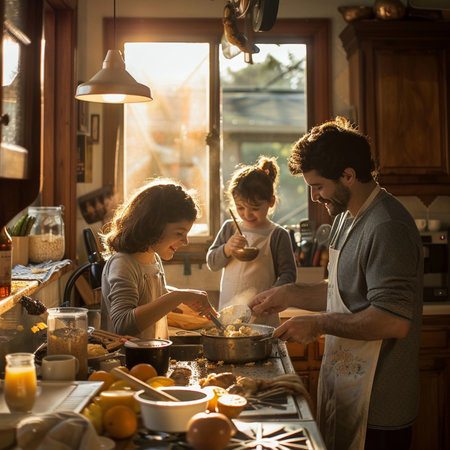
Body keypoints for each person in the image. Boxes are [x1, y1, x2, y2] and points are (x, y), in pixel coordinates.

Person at [249, 117, 423, 450]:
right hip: (346, 385)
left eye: (318, 186)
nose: (314, 197)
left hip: (380, 402)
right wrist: (290, 294)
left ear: (348, 175)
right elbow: (341, 292)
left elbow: (394, 320)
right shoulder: (346, 216)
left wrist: (319, 325)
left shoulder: (387, 226)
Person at [100, 179, 215, 339]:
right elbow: (122, 324)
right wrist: (178, 297)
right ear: (153, 226)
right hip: (126, 361)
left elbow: (151, 294)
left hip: (151, 356)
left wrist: (184, 297)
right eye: (179, 233)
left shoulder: (152, 258)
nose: (185, 242)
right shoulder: (123, 264)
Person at [207, 156, 297, 326]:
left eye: (254, 208)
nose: (247, 214)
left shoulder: (277, 235)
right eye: (240, 208)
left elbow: (288, 275)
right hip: (229, 312)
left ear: (270, 202)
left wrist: (271, 297)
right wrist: (226, 249)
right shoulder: (229, 228)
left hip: (263, 314)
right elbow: (212, 263)